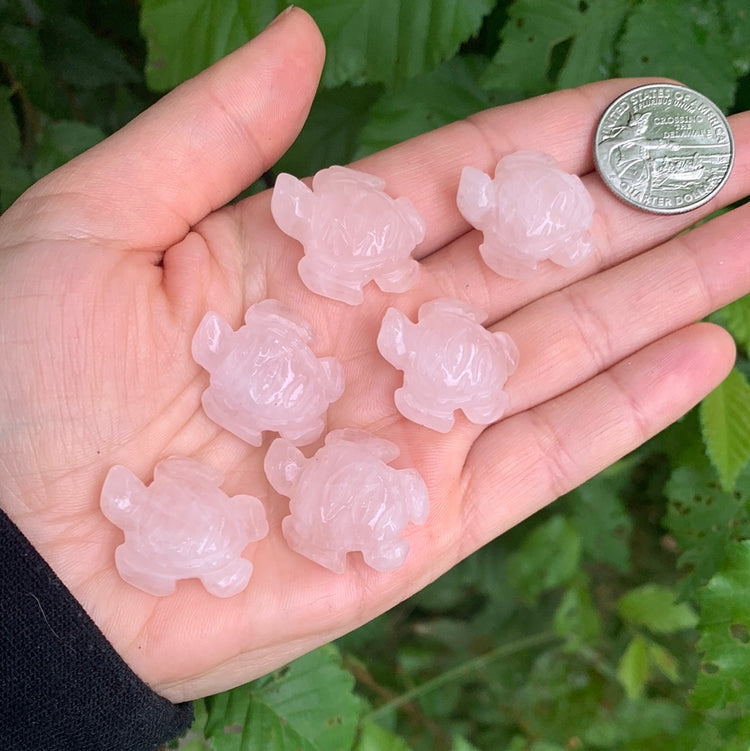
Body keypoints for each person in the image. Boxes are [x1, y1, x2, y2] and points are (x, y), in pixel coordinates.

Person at [1, 7, 748, 750]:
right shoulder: (292, 448)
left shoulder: (324, 450)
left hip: (343, 381)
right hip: (320, 384)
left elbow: (348, 454)